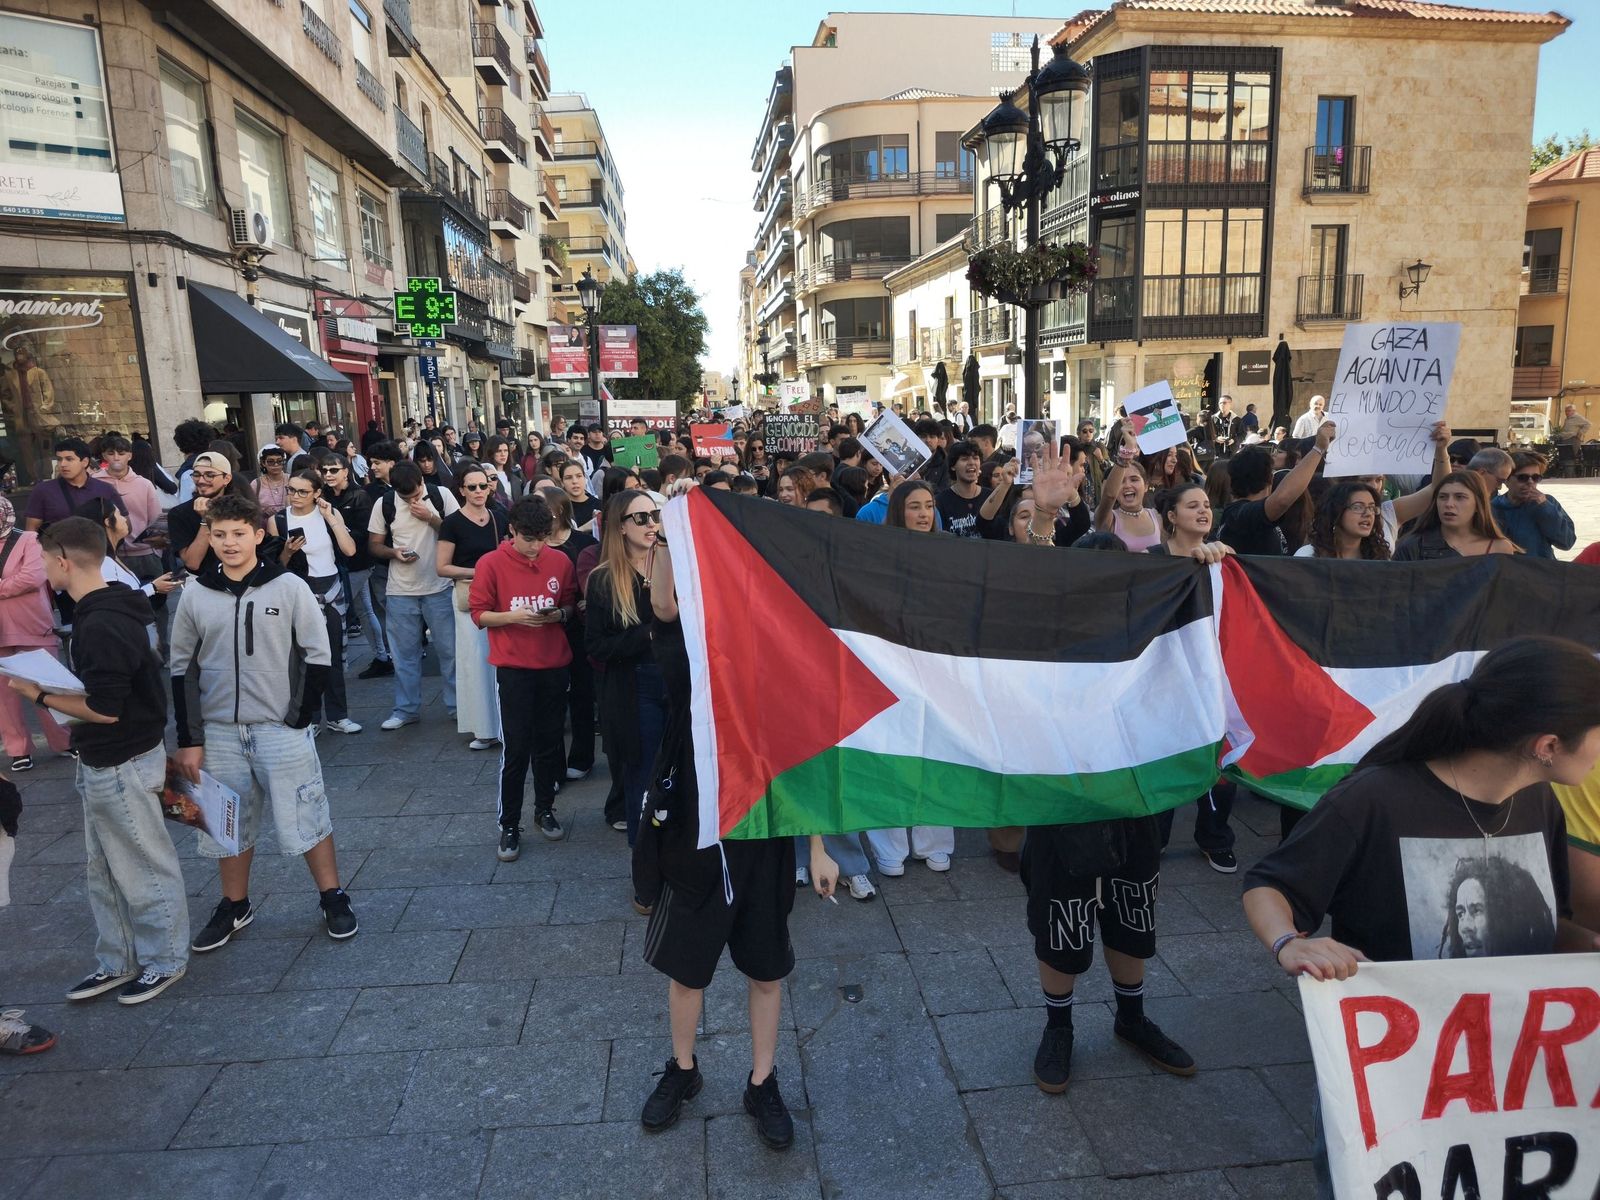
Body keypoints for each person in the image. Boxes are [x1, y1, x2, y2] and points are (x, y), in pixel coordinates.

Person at [1242, 636, 1600, 1196]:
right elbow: (1270, 884)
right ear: (1548, 744)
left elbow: (1548, 926)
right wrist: (1289, 941)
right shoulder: (1374, 799)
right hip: (1395, 1088)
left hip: (1510, 1074)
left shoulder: (1539, 802)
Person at [634, 528, 807, 1149]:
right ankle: (682, 1069)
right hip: (695, 837)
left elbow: (803, 763)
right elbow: (661, 607)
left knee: (767, 971)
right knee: (688, 972)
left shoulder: (782, 666)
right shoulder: (691, 657)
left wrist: (817, 848)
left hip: (765, 838)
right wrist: (671, 538)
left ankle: (763, 1081)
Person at [170, 493, 359, 951]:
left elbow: (318, 654)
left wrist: (300, 716)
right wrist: (189, 739)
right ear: (209, 537)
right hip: (217, 733)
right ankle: (234, 904)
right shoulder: (196, 593)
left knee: (306, 809)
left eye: (238, 534)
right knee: (222, 822)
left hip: (279, 728)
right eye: (220, 535)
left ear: (258, 535)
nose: (229, 543)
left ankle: (332, 895)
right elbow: (181, 668)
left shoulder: (288, 586)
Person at [16, 517, 188, 1004]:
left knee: (143, 866)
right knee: (106, 868)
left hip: (122, 760)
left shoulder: (100, 621)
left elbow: (104, 709)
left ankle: (165, 959)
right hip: (108, 759)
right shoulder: (115, 606)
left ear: (64, 561)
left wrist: (40, 695)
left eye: (45, 561)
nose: (43, 570)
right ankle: (118, 959)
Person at [470, 496, 576, 859]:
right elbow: (479, 614)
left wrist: (558, 615)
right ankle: (509, 824)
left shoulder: (559, 560)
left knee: (549, 743)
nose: (535, 547)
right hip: (513, 667)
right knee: (516, 749)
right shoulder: (491, 563)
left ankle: (545, 808)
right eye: (528, 539)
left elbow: (570, 603)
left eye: (541, 539)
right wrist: (513, 617)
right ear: (512, 530)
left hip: (553, 663)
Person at [864, 481, 956, 876]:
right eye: (914, 506)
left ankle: (934, 840)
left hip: (938, 666)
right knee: (892, 755)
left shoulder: (950, 551)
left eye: (929, 506)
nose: (923, 514)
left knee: (936, 753)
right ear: (898, 510)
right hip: (891, 666)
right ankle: (889, 845)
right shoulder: (876, 555)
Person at [587, 491, 669, 859]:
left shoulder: (674, 563)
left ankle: (676, 856)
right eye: (641, 518)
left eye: (654, 515)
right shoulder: (604, 579)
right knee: (643, 776)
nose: (651, 524)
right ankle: (644, 863)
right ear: (620, 527)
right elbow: (597, 647)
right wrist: (648, 633)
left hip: (679, 681)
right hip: (636, 687)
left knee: (679, 773)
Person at [368, 460, 458, 730]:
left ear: (422, 480)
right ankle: (406, 709)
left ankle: (458, 707)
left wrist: (430, 517)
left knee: (450, 652)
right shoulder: (385, 504)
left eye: (417, 493)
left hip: (440, 587)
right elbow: (374, 545)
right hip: (401, 590)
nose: (413, 500)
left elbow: (458, 532)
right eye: (407, 498)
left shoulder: (441, 496)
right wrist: (393, 553)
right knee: (404, 654)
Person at [273, 470, 361, 735]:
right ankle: (309, 717)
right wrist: (288, 550)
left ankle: (338, 715)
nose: (295, 496)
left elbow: (350, 550)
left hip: (330, 589)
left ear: (317, 493)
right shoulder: (277, 520)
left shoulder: (328, 515)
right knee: (303, 657)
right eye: (291, 490)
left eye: (302, 491)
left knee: (332, 655)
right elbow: (275, 567)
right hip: (297, 590)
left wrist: (331, 519)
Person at [437, 464, 508, 753]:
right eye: (473, 487)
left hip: (500, 596)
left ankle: (503, 725)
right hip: (469, 598)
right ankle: (483, 728)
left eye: (484, 485)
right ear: (461, 490)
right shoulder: (452, 523)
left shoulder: (499, 517)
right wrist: (477, 572)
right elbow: (441, 567)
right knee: (475, 663)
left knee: (501, 661)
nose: (479, 491)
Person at [0, 496, 73, 770]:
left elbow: (33, 576)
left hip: (32, 624)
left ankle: (64, 741)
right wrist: (9, 584)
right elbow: (21, 581)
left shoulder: (29, 539)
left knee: (47, 684)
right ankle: (18, 750)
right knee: (3, 697)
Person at [542, 492, 597, 786]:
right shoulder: (532, 546)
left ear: (560, 511)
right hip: (543, 630)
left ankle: (582, 757)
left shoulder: (583, 543)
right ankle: (552, 767)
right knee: (550, 701)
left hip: (578, 629)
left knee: (581, 695)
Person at [74, 498, 181, 647]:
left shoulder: (110, 557)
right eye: (119, 515)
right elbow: (117, 603)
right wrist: (154, 588)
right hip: (120, 641)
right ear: (107, 522)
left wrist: (154, 586)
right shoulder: (103, 563)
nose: (125, 519)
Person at [1216, 422, 1335, 556]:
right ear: (1270, 479)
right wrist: (1318, 449)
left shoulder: (1236, 514)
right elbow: (1282, 500)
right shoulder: (1241, 515)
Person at [1393, 471, 1518, 560]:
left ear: (1478, 504)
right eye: (1443, 497)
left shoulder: (1499, 548)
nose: (1449, 504)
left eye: (1460, 497)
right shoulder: (1412, 546)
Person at [93, 434, 165, 589]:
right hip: (109, 556)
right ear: (104, 456)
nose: (116, 458)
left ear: (130, 456)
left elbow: (156, 520)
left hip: (145, 555)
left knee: (155, 604)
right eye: (111, 454)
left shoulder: (144, 484)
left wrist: (154, 552)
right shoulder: (94, 483)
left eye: (121, 453)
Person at [23, 438, 124, 533]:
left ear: (84, 462)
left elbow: (125, 525)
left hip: (97, 549)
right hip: (56, 550)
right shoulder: (43, 490)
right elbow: (31, 531)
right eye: (59, 459)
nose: (62, 464)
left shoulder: (105, 489)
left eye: (69, 459)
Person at [168, 451, 245, 575]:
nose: (201, 480)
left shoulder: (241, 508)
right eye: (197, 474)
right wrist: (205, 519)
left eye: (210, 475)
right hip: (204, 584)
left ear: (226, 478)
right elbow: (192, 563)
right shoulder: (179, 514)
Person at [1490, 451, 1575, 559]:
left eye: (1535, 478)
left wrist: (1545, 509)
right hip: (1506, 571)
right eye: (1523, 478)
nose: (1530, 482)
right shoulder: (1493, 508)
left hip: (1541, 571)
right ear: (1507, 480)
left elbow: (1567, 542)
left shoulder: (1548, 503)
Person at [1294, 481, 1392, 560]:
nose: (1368, 514)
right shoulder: (1308, 555)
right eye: (1358, 507)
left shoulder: (1379, 557)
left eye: (1372, 508)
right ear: (1336, 511)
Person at [935, 440, 989, 539]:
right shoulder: (940, 501)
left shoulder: (991, 497)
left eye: (975, 458)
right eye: (964, 459)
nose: (972, 463)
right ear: (953, 466)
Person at [252, 447, 290, 518]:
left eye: (279, 461)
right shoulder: (256, 484)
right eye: (271, 462)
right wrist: (263, 511)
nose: (276, 465)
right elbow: (250, 506)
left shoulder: (291, 479)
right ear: (263, 463)